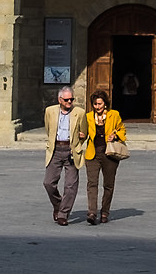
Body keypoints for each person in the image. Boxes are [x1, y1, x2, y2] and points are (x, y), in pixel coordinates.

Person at [42, 84, 86, 224]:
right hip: (55, 149)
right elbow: (48, 129)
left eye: (71, 99)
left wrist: (81, 136)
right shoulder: (50, 111)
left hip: (71, 150)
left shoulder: (79, 112)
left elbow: (85, 132)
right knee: (48, 183)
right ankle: (58, 205)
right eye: (67, 100)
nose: (69, 102)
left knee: (70, 185)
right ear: (59, 99)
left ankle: (63, 214)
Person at [83, 90, 125, 223]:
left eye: (100, 104)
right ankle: (92, 212)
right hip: (93, 154)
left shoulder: (114, 115)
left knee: (108, 184)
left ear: (105, 104)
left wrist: (116, 135)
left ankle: (105, 211)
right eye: (95, 104)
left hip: (109, 154)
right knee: (92, 183)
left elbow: (122, 129)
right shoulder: (88, 117)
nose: (97, 107)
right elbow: (84, 132)